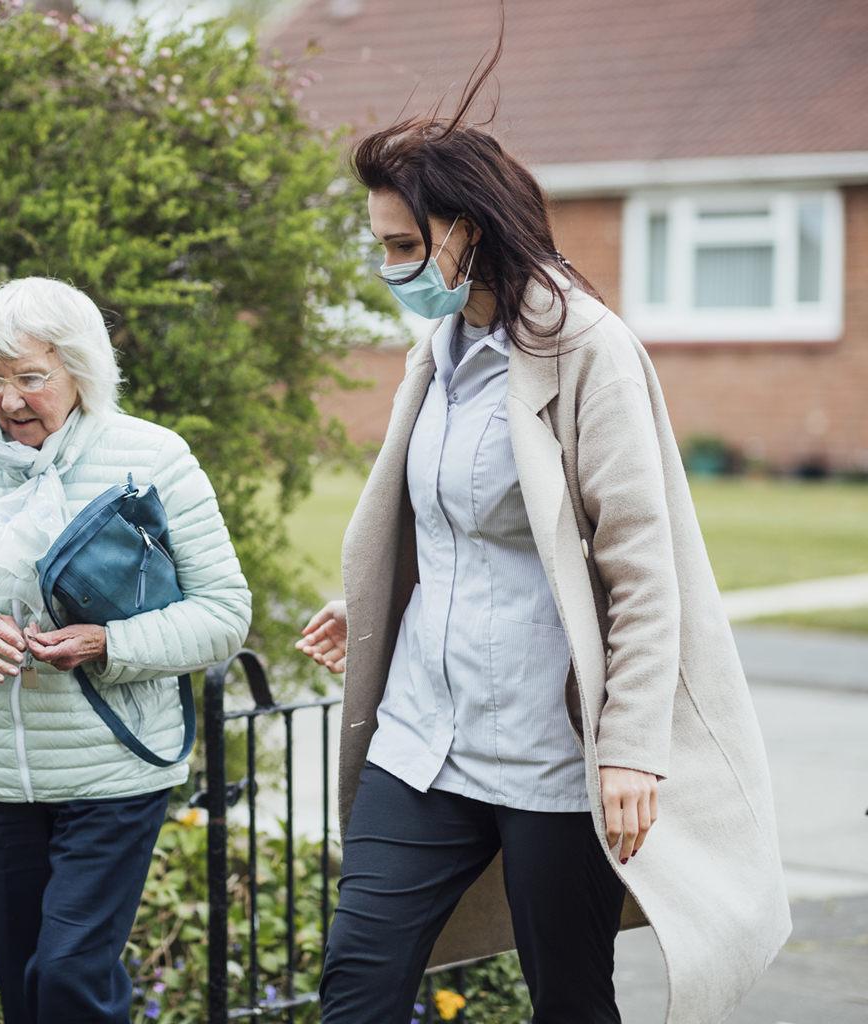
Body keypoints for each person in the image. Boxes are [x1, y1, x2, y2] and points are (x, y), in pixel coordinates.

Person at [296, 77, 789, 1024]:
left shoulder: (586, 351)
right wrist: (376, 600)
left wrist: (633, 752)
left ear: (468, 229)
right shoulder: (434, 351)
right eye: (383, 247)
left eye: (406, 246)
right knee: (356, 982)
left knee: (567, 995)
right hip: (422, 741)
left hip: (551, 759)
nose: (392, 268)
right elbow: (449, 521)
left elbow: (640, 571)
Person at [0, 272, 252, 1024]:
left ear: (81, 372)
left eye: (30, 378)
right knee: (25, 994)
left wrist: (107, 641)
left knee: (68, 978)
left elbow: (224, 614)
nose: (8, 400)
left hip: (113, 774)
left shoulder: (151, 457)